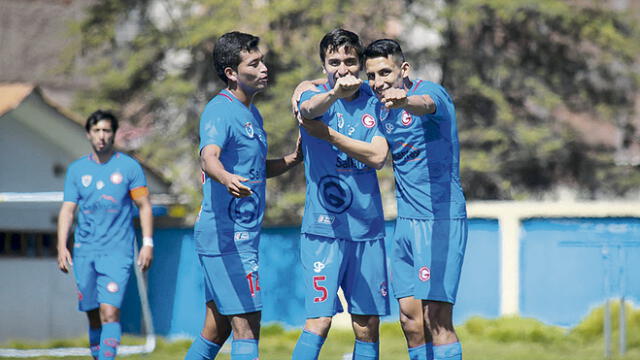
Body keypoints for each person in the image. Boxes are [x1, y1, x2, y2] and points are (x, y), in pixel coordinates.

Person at [184, 31, 303, 360]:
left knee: (217, 328)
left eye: (262, 60)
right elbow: (208, 158)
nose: (264, 68)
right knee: (248, 323)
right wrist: (224, 177)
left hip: (242, 237)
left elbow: (254, 169)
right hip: (225, 237)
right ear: (231, 73)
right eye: (255, 63)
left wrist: (292, 160)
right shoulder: (219, 111)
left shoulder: (252, 113)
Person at [364, 39, 467, 360]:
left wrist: (405, 99)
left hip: (439, 221)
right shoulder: (379, 102)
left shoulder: (430, 92)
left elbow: (425, 103)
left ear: (403, 69)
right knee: (409, 319)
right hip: (406, 224)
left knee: (436, 318)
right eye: (372, 76)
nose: (379, 82)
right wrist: (304, 86)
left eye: (385, 72)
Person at [291, 28, 390, 360]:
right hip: (323, 231)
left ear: (360, 64)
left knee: (367, 324)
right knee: (319, 321)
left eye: (350, 61)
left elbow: (377, 156)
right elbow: (307, 111)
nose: (343, 68)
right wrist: (332, 94)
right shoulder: (314, 96)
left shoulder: (375, 103)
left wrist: (330, 135)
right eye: (334, 62)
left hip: (367, 230)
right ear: (323, 66)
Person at [57, 110, 154, 360]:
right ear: (89, 134)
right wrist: (61, 246)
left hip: (117, 251)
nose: (102, 136)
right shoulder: (77, 170)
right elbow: (68, 211)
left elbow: (144, 206)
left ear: (114, 134)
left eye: (107, 131)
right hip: (84, 251)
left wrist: (147, 243)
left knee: (110, 312)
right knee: (93, 314)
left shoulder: (129, 167)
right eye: (97, 130)